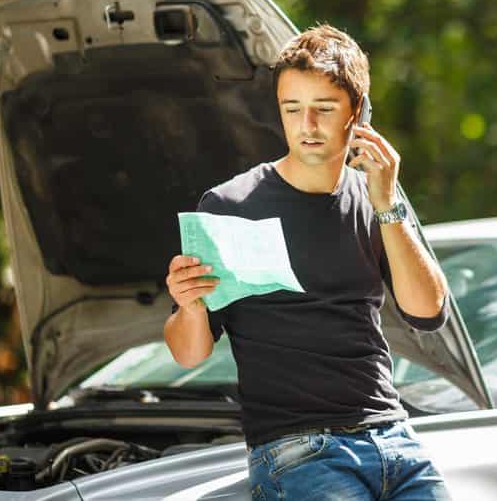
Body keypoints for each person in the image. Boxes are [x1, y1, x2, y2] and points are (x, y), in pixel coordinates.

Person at [163, 25, 452, 500]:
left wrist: (387, 203)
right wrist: (189, 306)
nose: (307, 125)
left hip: (394, 438)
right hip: (297, 450)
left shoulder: (376, 197)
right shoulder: (231, 204)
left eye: (324, 108)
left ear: (357, 113)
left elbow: (428, 313)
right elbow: (189, 353)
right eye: (292, 109)